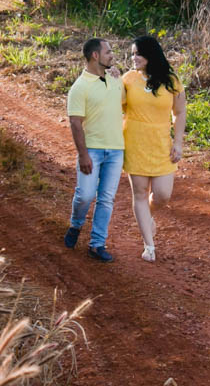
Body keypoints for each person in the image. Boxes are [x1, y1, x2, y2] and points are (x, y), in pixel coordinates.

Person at [122, 35, 186, 262]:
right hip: (135, 141)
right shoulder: (128, 79)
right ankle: (149, 246)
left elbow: (179, 113)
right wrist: (109, 81)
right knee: (139, 193)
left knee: (162, 195)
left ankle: (147, 216)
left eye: (137, 53)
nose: (133, 58)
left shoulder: (171, 80)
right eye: (132, 54)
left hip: (161, 144)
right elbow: (115, 104)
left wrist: (178, 142)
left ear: (150, 55)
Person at [63, 37, 125, 262]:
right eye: (108, 51)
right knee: (86, 195)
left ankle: (97, 244)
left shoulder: (116, 80)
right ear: (95, 56)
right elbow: (75, 123)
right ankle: (76, 225)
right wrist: (83, 155)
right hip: (93, 151)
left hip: (116, 150)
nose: (112, 55)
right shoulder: (79, 88)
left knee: (106, 199)